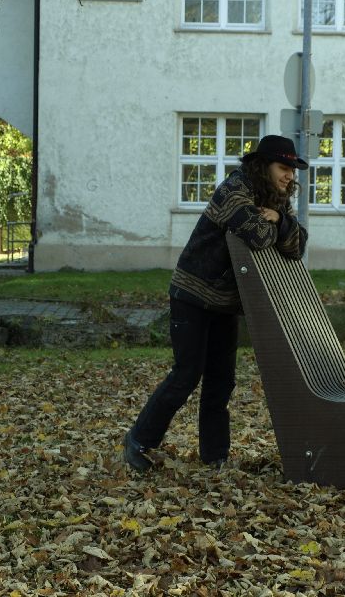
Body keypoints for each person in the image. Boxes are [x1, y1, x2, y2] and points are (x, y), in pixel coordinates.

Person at [123, 135, 309, 472]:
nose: (289, 176)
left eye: (292, 170)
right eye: (283, 167)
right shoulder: (233, 191)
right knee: (186, 375)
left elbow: (298, 246)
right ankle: (138, 440)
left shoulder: (275, 201)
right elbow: (258, 236)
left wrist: (279, 220)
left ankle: (215, 456)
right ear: (262, 165)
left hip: (225, 303)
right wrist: (276, 226)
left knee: (221, 382)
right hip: (193, 295)